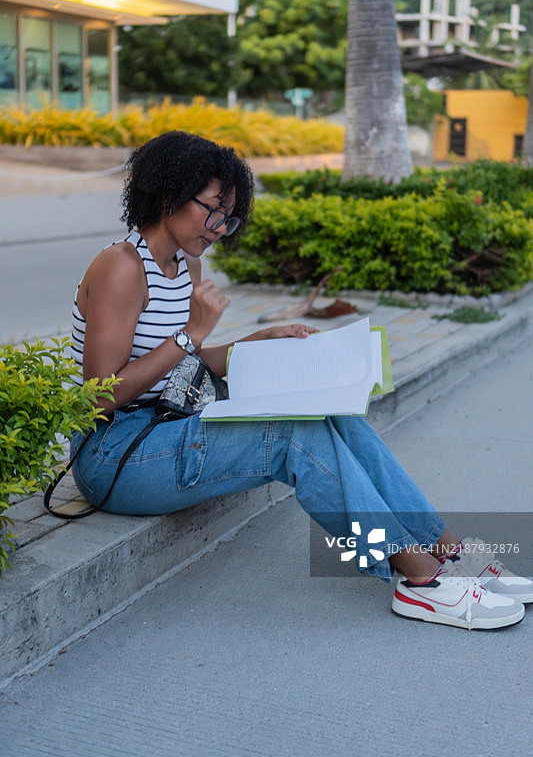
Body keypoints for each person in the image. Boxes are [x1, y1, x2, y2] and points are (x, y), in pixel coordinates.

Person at [70, 130, 532, 630]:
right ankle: (418, 581)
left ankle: (445, 550)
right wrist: (189, 335)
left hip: (168, 425)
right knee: (294, 435)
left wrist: (261, 339)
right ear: (167, 195)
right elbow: (104, 395)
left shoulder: (184, 264)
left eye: (230, 215)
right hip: (113, 454)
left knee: (330, 411)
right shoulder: (122, 266)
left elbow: (184, 362)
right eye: (212, 210)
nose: (221, 227)